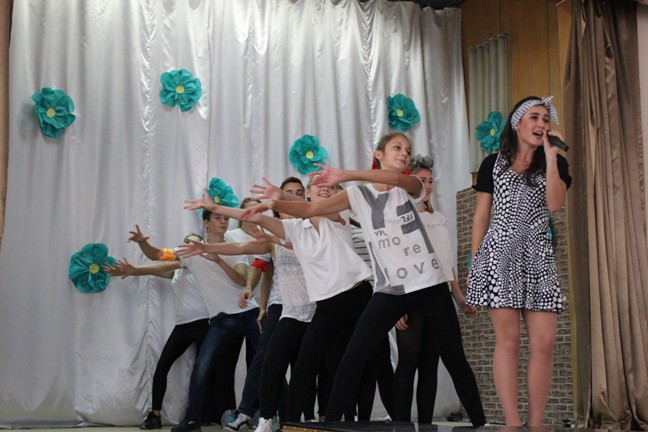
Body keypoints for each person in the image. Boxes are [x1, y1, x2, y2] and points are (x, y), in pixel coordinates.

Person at [240, 132, 486, 426]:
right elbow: (310, 208)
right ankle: (331, 424)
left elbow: (394, 179)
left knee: (454, 357)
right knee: (353, 357)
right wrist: (278, 200)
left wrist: (347, 174)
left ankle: (481, 423)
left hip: (430, 284)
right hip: (390, 290)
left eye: (407, 150)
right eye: (397, 148)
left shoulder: (412, 186)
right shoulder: (357, 195)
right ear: (379, 154)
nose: (404, 153)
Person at [184, 176, 374, 425]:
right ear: (309, 192)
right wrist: (213, 225)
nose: (326, 190)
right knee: (291, 365)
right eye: (319, 186)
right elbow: (253, 225)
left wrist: (280, 198)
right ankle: (281, 422)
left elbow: (308, 209)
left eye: (329, 187)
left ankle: (344, 420)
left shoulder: (337, 216)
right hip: (311, 307)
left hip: (346, 300)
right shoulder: (292, 230)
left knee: (351, 364)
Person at [178, 177, 320, 432]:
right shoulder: (272, 233)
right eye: (288, 193)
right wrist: (259, 301)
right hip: (283, 306)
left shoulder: (313, 225)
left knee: (305, 364)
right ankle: (260, 416)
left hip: (315, 306)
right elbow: (245, 251)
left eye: (299, 193)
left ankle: (305, 418)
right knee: (268, 360)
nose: (294, 197)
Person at [467, 96, 571, 427]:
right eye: (534, 117)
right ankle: (512, 423)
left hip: (539, 254)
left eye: (545, 119)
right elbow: (481, 216)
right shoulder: (492, 163)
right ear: (517, 123)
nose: (541, 124)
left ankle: (536, 424)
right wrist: (475, 262)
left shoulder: (556, 164)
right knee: (508, 341)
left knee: (544, 343)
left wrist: (551, 158)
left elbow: (555, 205)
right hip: (499, 254)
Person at [123, 227, 246, 426]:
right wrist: (134, 270)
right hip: (183, 325)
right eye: (187, 242)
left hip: (205, 323)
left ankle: (208, 416)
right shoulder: (179, 269)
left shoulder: (205, 265)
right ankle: (155, 414)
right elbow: (159, 266)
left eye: (194, 242)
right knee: (163, 364)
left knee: (208, 370)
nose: (190, 245)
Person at [392, 154, 480, 423]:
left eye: (430, 181)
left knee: (430, 365)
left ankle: (427, 425)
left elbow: (446, 263)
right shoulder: (398, 217)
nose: (427, 186)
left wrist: (459, 298)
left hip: (439, 297)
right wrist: (396, 304)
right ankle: (401, 426)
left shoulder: (438, 218)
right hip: (410, 296)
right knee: (407, 364)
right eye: (422, 180)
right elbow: (393, 261)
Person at [165, 209, 260, 432]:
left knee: (268, 362)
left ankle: (281, 416)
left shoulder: (235, 248)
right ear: (206, 222)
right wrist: (143, 243)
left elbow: (242, 280)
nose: (223, 222)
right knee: (202, 366)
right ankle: (192, 420)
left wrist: (218, 260)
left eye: (226, 218)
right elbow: (160, 256)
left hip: (249, 315)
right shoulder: (193, 251)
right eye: (218, 218)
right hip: (221, 320)